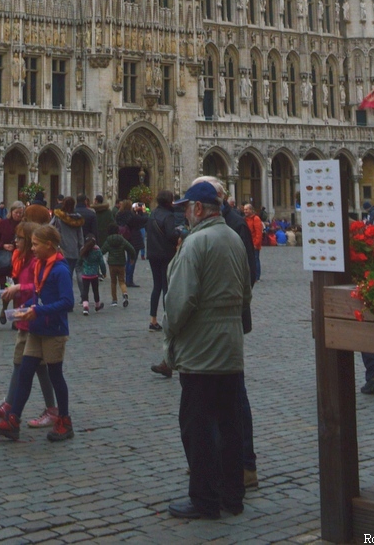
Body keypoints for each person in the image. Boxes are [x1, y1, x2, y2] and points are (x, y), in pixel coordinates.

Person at [164, 181, 251, 522]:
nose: (185, 213)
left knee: (197, 425)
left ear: (198, 209)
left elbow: (180, 300)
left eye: (187, 208)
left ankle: (204, 499)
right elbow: (246, 292)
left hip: (201, 349)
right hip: (231, 346)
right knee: (230, 424)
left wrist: (170, 330)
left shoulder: (195, 242)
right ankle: (233, 495)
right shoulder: (234, 237)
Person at [0, 223, 75, 443]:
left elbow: (67, 302)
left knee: (55, 376)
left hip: (53, 331)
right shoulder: (40, 266)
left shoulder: (60, 270)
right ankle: (13, 419)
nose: (32, 248)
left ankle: (64, 420)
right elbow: (37, 292)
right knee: (25, 372)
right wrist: (24, 309)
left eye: (35, 244)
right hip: (36, 328)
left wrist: (38, 310)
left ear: (49, 245)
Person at [146, 190, 181, 331]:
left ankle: (152, 319)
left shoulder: (152, 214)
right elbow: (171, 235)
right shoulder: (168, 216)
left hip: (153, 253)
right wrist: (179, 232)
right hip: (166, 254)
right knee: (167, 286)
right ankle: (167, 318)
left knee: (157, 286)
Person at [52, 196, 86, 295]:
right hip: (74, 250)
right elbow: (80, 236)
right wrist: (81, 248)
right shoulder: (77, 217)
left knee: (65, 276)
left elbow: (50, 228)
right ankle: (83, 296)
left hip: (61, 250)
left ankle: (66, 297)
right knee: (71, 274)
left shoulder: (58, 217)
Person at [101, 223, 136, 306]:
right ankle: (125, 294)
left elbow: (102, 251)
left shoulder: (108, 241)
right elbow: (131, 249)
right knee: (121, 281)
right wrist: (132, 258)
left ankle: (114, 300)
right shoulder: (122, 240)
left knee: (113, 282)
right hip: (121, 263)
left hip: (112, 264)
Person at [0, 201, 23, 288]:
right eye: (16, 213)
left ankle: (17, 301)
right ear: (11, 212)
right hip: (5, 263)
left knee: (18, 288)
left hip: (20, 261)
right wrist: (3, 245)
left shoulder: (25, 225)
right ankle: (5, 300)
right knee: (6, 286)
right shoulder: (3, 223)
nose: (18, 215)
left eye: (20, 213)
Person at [115, 198, 142, 287]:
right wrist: (142, 212)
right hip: (133, 239)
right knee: (132, 260)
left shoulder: (118, 214)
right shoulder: (131, 215)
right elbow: (141, 221)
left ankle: (125, 278)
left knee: (127, 260)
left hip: (122, 238)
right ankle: (129, 280)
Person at [78, 234, 106, 314]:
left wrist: (80, 267)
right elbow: (102, 263)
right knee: (95, 290)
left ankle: (85, 307)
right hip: (94, 274)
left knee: (85, 291)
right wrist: (104, 273)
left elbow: (79, 261)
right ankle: (97, 306)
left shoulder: (83, 249)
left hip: (85, 274)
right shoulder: (97, 250)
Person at [243, 203, 264, 281]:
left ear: (251, 210)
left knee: (255, 259)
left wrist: (256, 244)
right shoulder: (245, 219)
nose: (245, 211)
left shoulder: (256, 219)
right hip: (248, 243)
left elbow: (258, 233)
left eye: (247, 209)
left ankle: (257, 276)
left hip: (254, 244)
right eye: (244, 209)